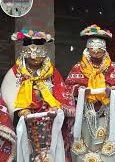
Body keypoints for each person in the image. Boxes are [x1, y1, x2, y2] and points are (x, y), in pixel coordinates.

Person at [1, 30, 75, 161]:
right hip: (25, 122)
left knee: (50, 154)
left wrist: (56, 108)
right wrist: (21, 111)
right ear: (24, 53)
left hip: (50, 122)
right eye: (30, 54)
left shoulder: (52, 72)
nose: (34, 57)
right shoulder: (14, 73)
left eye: (38, 54)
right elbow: (8, 98)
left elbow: (62, 93)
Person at [65, 25, 115, 162]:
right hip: (84, 115)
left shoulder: (111, 67)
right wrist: (81, 91)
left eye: (99, 48)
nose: (95, 51)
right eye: (92, 48)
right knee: (83, 147)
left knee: (105, 148)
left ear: (104, 49)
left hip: (105, 115)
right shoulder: (78, 67)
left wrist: (112, 90)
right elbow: (68, 87)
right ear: (87, 49)